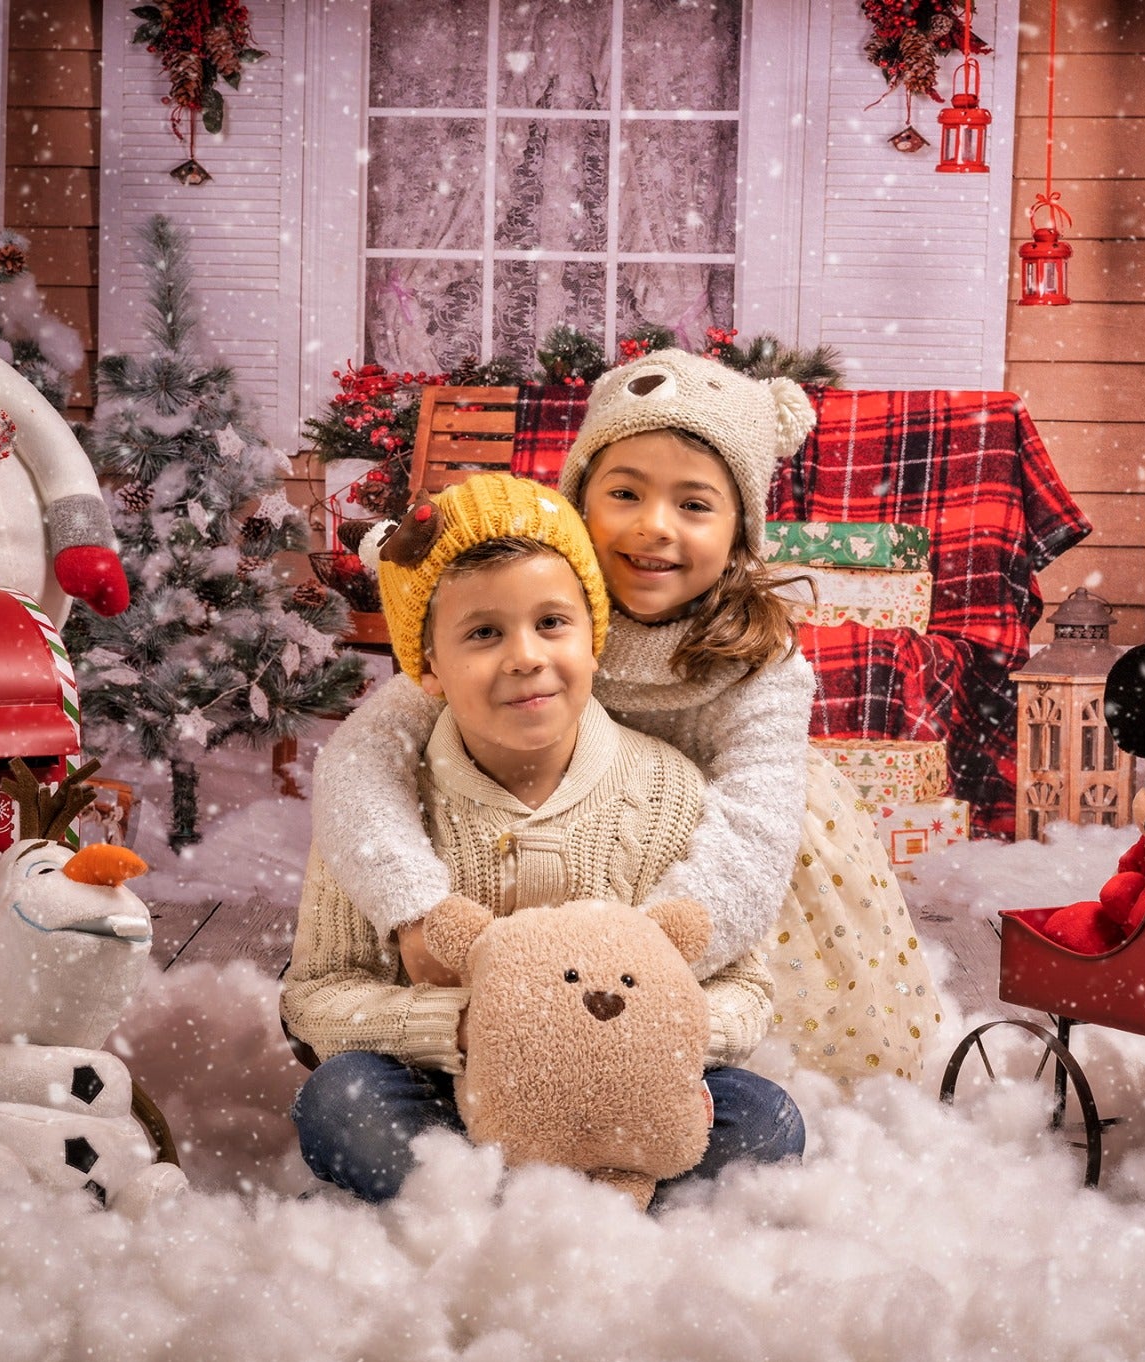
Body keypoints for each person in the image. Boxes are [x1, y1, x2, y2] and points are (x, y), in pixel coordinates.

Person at [312, 351, 939, 1087]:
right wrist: (413, 906)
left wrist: (641, 959)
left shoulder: (759, 663)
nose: (654, 527)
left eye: (695, 504)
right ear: (580, 499)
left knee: (746, 1065)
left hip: (706, 883)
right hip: (562, 841)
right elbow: (360, 755)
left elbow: (751, 836)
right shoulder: (533, 621)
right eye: (625, 493)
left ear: (741, 530)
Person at [282, 473, 803, 1203]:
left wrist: (648, 1035)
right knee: (340, 1103)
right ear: (428, 666)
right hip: (451, 1097)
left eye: (552, 623)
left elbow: (744, 986)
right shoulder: (382, 808)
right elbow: (315, 995)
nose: (526, 655)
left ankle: (583, 1189)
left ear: (596, 639)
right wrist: (459, 1025)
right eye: (485, 633)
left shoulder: (667, 790)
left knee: (766, 1122)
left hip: (629, 1106)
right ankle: (539, 1206)